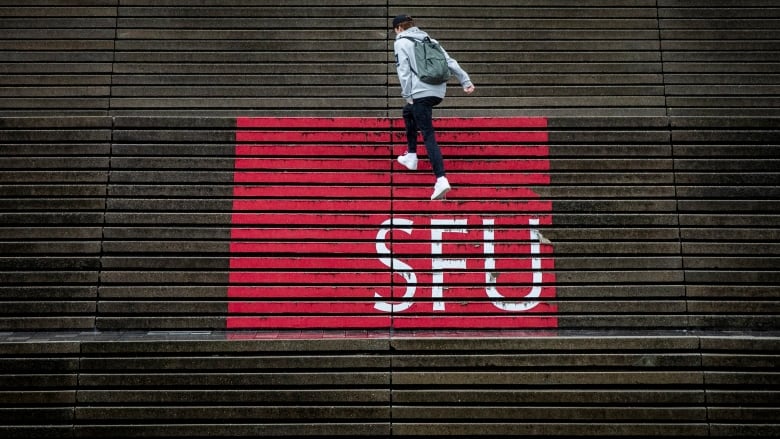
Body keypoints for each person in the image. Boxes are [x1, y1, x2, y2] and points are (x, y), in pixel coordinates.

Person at [392, 14, 475, 200]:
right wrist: (465, 80)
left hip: (419, 93)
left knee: (428, 134)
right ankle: (411, 155)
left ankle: (441, 179)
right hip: (437, 92)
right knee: (407, 112)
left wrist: (408, 95)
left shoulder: (401, 42)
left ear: (398, 28)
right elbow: (449, 61)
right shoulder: (430, 40)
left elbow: (403, 71)